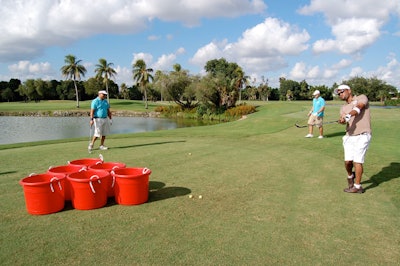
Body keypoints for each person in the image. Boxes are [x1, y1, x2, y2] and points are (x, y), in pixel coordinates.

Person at [335, 84, 372, 193]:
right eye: (338, 93)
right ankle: (350, 176)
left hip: (363, 134)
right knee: (348, 162)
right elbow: (343, 120)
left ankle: (357, 186)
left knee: (357, 161)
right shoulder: (343, 108)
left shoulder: (361, 97)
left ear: (349, 90)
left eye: (341, 91)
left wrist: (349, 115)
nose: (340, 94)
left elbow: (359, 107)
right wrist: (342, 120)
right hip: (349, 136)